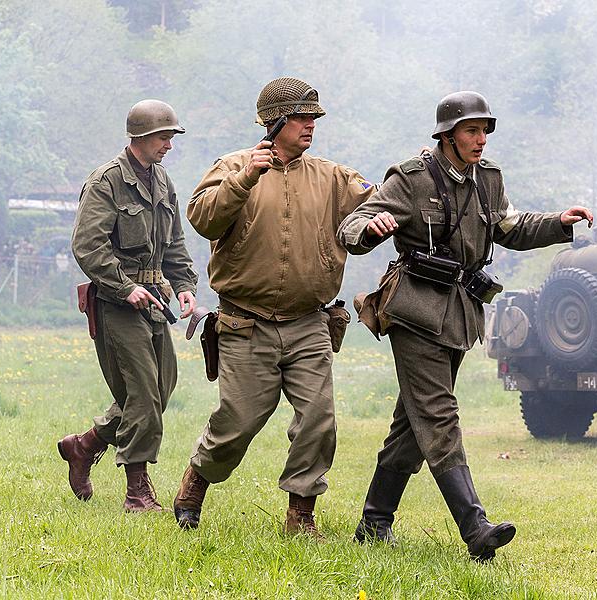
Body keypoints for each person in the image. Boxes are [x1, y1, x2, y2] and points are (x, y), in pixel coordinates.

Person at [337, 91, 593, 560]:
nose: (481, 140)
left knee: (412, 423)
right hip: (414, 312)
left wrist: (559, 221)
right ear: (448, 135)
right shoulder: (412, 178)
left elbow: (510, 228)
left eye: (484, 131)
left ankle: (374, 521)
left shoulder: (488, 179)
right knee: (438, 414)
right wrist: (369, 231)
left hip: (460, 313)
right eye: (472, 131)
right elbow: (353, 223)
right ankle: (475, 528)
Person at [172, 76, 376, 537]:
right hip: (245, 323)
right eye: (302, 118)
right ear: (276, 121)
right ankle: (195, 483)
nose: (311, 126)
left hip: (310, 322)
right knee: (237, 422)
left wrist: (378, 218)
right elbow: (203, 217)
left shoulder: (332, 177)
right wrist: (246, 179)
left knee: (319, 418)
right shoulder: (232, 166)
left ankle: (301, 515)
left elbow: (379, 201)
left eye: (313, 119)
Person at [61, 99, 198, 512]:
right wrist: (124, 289)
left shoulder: (162, 181)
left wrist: (185, 284)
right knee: (141, 392)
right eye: (163, 137)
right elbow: (88, 245)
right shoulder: (106, 181)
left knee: (159, 389)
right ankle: (137, 491)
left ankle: (85, 446)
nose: (169, 145)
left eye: (171, 137)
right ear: (139, 137)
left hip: (156, 301)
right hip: (118, 304)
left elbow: (173, 242)